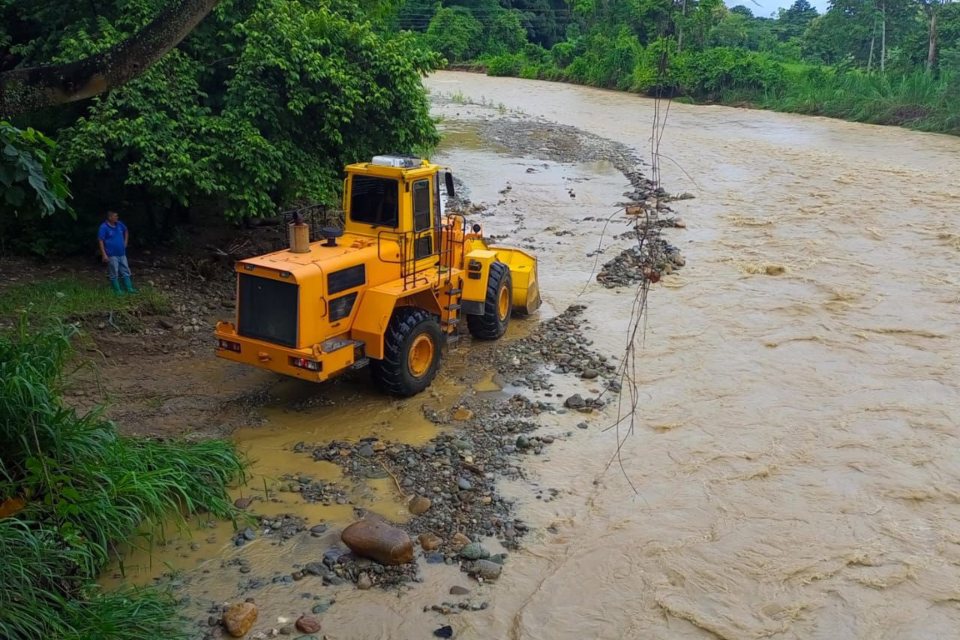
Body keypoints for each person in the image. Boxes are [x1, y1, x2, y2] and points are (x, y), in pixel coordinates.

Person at [97, 210, 138, 295]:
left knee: (125, 270)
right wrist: (104, 254)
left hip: (122, 253)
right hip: (111, 254)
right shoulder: (103, 227)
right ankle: (117, 290)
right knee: (114, 272)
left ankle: (129, 288)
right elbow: (100, 240)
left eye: (117, 216)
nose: (117, 218)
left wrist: (125, 242)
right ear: (110, 217)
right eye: (115, 216)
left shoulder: (119, 224)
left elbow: (126, 230)